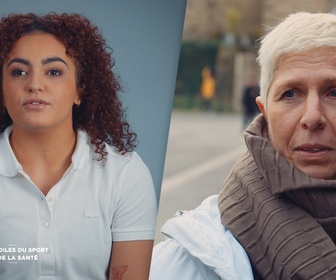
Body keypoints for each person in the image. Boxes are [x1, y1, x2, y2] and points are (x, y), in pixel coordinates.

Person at [150, 11, 336, 280]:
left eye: (334, 92)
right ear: (265, 111)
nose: (312, 118)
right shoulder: (186, 264)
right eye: (290, 94)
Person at [0, 13, 157, 280]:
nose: (35, 84)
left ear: (79, 91)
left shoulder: (125, 174)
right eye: (19, 72)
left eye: (53, 72)